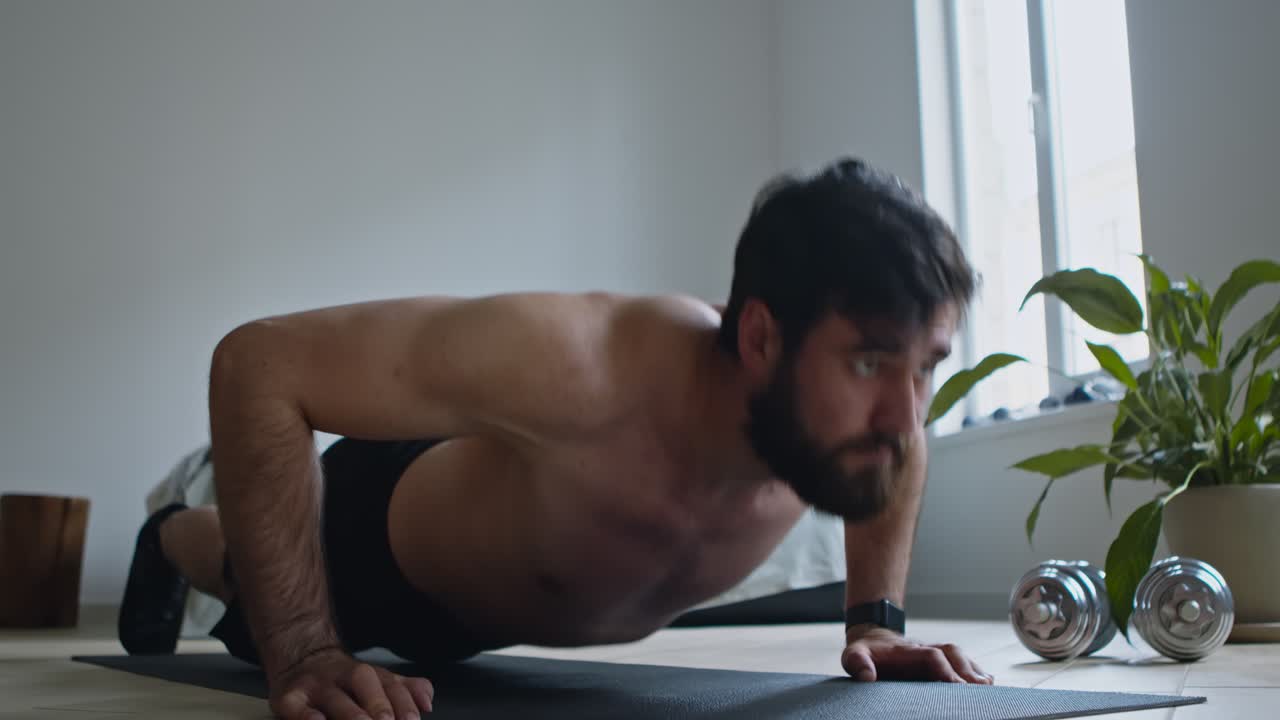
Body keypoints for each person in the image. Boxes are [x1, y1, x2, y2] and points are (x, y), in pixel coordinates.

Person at [119, 157, 993, 720]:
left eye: (926, 368)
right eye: (874, 363)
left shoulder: (857, 418)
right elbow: (257, 364)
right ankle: (167, 537)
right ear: (760, 337)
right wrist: (306, 649)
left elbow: (898, 452)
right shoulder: (580, 361)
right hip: (380, 540)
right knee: (240, 570)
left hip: (487, 620)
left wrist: (876, 625)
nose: (907, 416)